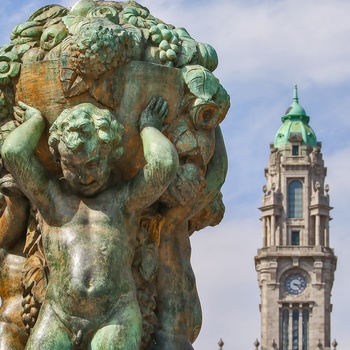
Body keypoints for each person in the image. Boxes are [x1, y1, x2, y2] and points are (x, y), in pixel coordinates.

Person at [2, 97, 179, 350]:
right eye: (71, 166)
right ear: (58, 160)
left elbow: (163, 165)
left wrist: (148, 127)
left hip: (115, 314)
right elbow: (12, 153)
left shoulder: (124, 201)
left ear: (112, 156)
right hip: (59, 314)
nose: (83, 175)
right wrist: (37, 121)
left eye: (93, 164)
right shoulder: (51, 198)